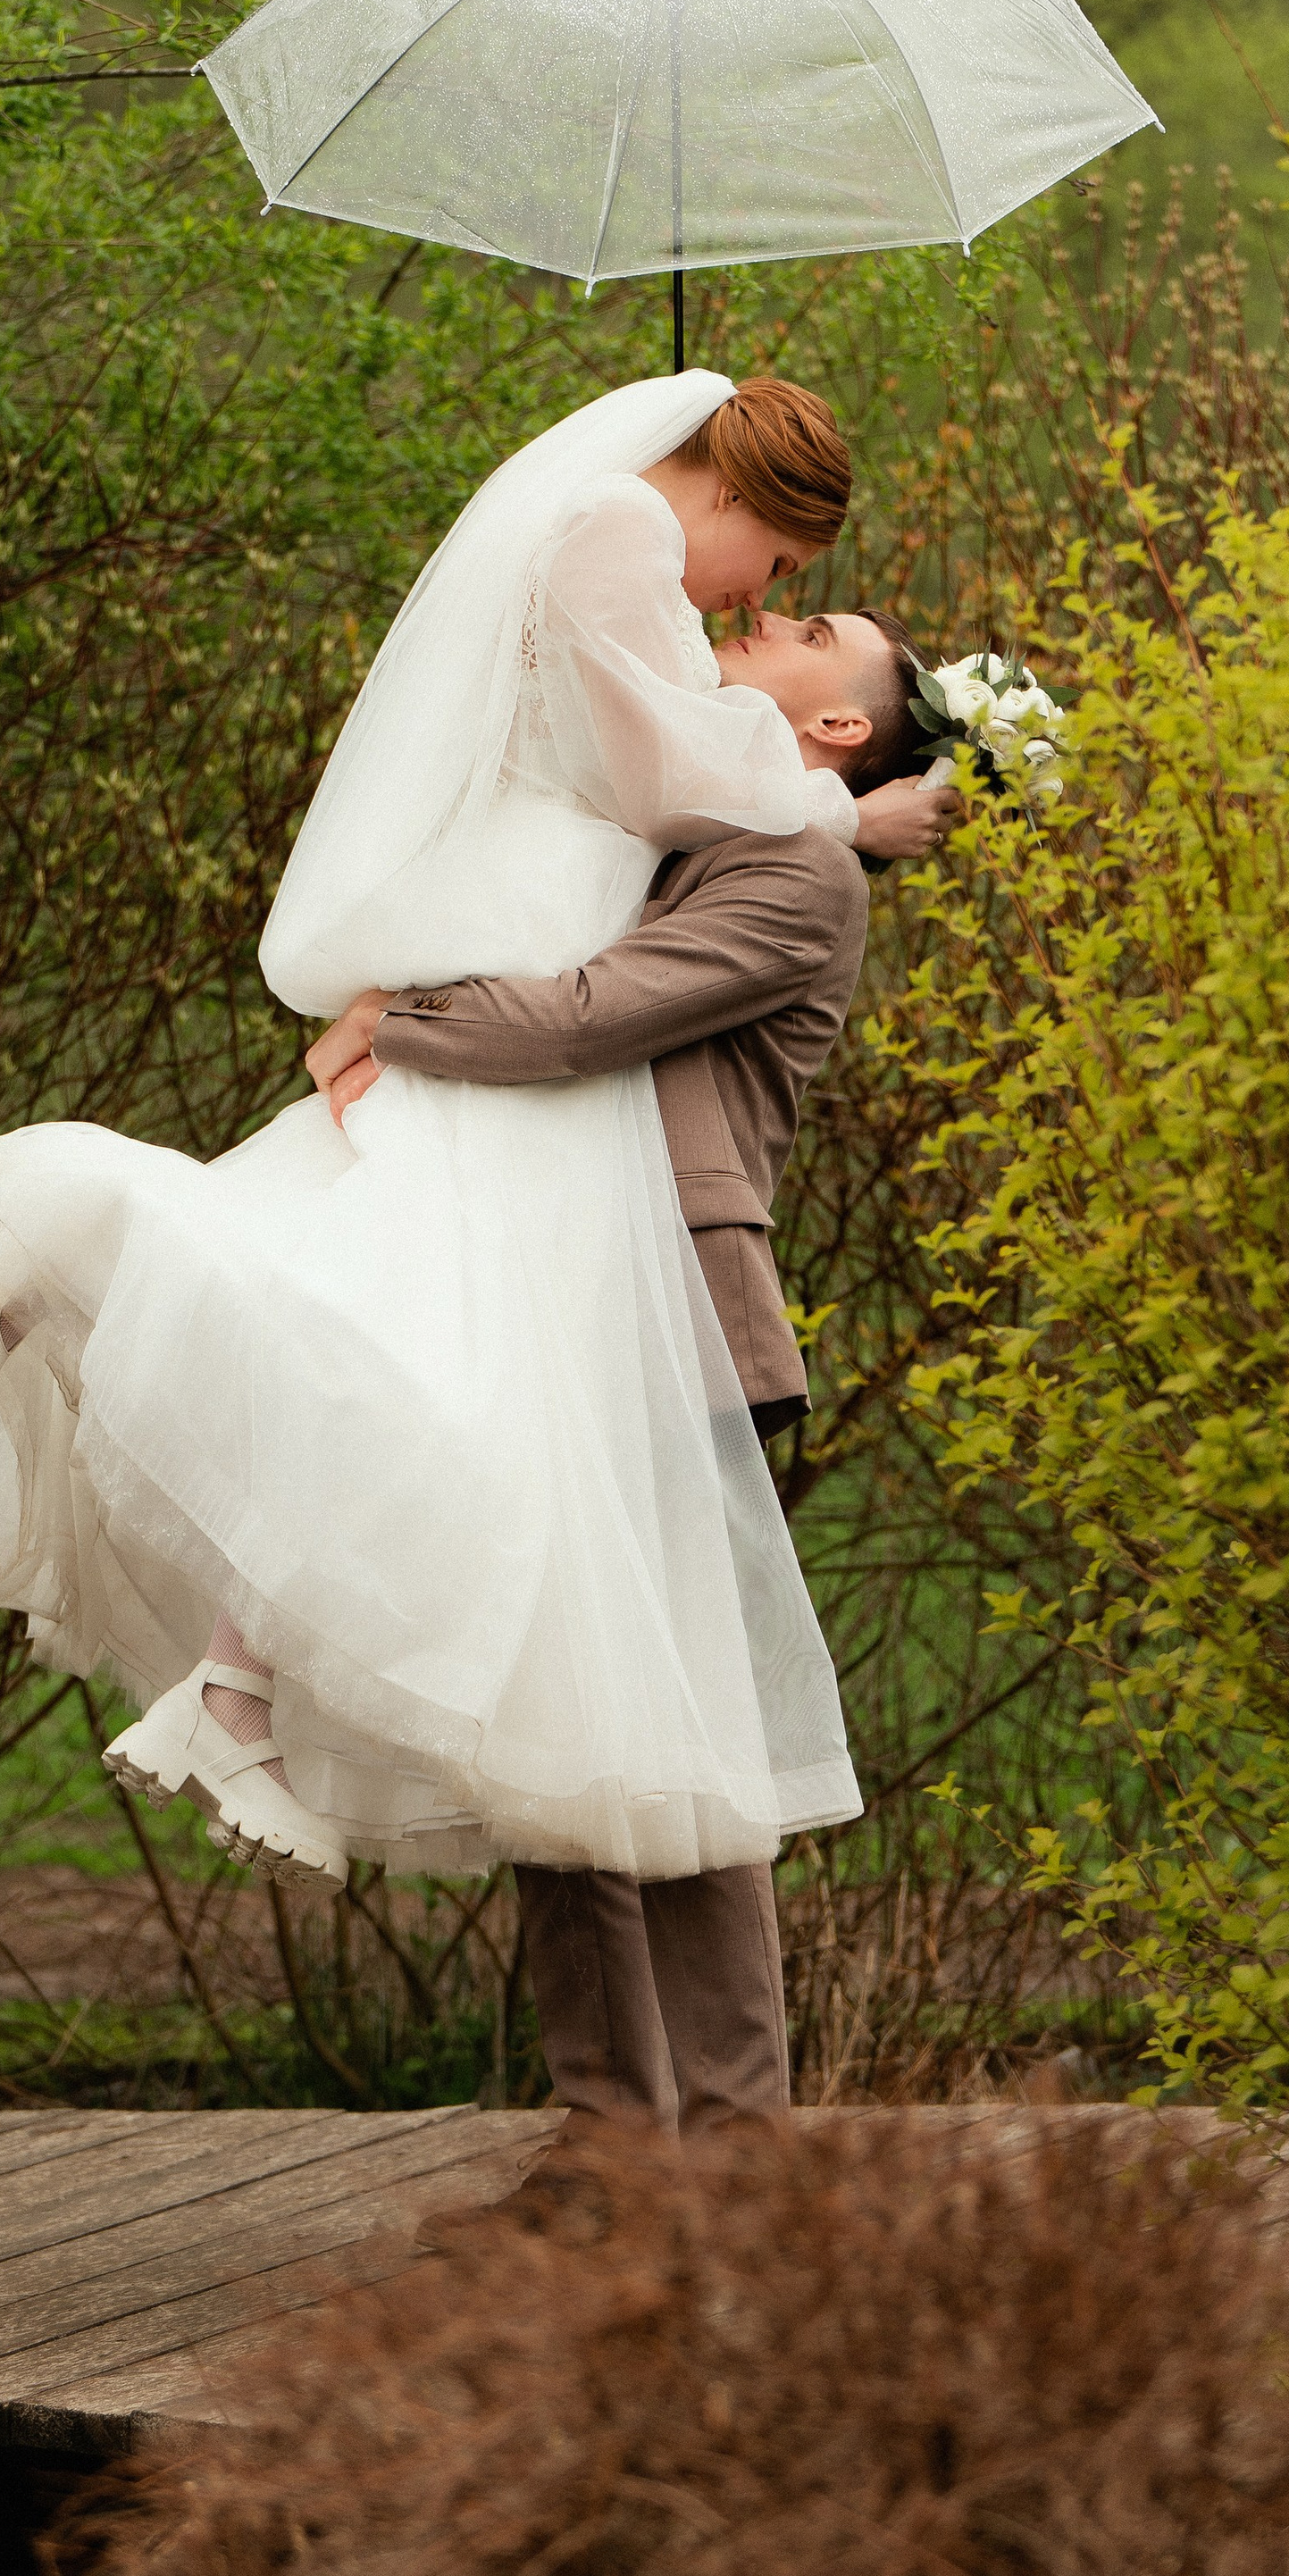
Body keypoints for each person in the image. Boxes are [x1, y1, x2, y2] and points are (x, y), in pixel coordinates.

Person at [0, 371, 953, 1901]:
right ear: (737, 495)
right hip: (527, 937)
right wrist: (847, 813)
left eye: (790, 599)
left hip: (532, 938)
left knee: (391, 1333)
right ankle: (48, 1234)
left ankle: (229, 1674)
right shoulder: (617, 534)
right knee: (414, 1351)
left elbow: (667, 770)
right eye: (777, 565)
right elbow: (660, 783)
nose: (758, 599)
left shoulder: (631, 557)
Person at [306, 595, 933, 2134]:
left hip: (674, 1326)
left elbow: (588, 1017)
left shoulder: (793, 877)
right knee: (556, 1727)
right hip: (545, 1309)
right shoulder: (709, 832)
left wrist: (396, 1017)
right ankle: (610, 2150)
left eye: (808, 626)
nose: (759, 616)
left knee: (680, 1736)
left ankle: (735, 2152)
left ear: (837, 724)